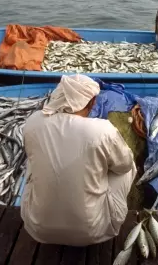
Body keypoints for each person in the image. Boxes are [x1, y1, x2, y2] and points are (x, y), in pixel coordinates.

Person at [21, 74, 137, 246]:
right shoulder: (102, 130)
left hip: (38, 229)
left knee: (32, 163)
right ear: (91, 103)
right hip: (93, 232)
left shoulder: (33, 122)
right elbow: (124, 166)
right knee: (129, 166)